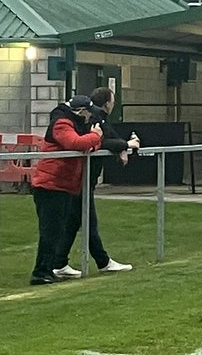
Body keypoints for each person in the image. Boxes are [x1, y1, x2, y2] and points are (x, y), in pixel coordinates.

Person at [52, 88, 138, 278]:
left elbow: (108, 138)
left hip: (83, 178)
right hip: (79, 177)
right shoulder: (92, 119)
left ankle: (58, 263)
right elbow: (100, 141)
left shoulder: (97, 118)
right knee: (87, 221)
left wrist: (121, 147)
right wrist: (125, 145)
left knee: (75, 221)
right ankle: (103, 261)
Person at [29, 96, 102, 285]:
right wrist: (95, 137)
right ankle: (41, 272)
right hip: (50, 186)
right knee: (51, 231)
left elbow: (87, 145)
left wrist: (92, 141)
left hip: (61, 186)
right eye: (88, 114)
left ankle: (50, 268)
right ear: (81, 111)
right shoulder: (61, 124)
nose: (89, 118)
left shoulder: (70, 123)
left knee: (59, 230)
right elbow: (76, 144)